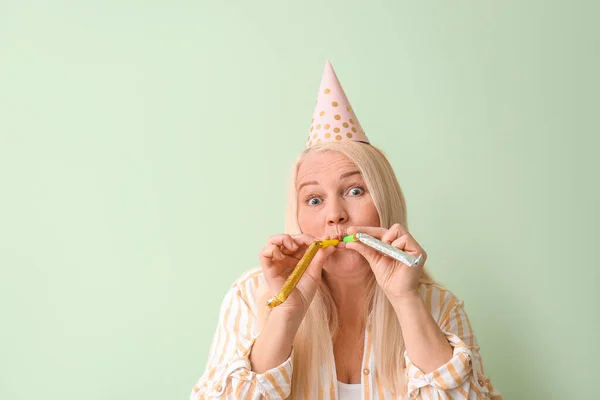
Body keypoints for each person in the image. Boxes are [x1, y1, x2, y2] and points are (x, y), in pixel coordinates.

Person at [190, 61, 502, 399]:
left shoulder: (439, 306)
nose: (335, 215)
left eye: (355, 191)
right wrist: (286, 314)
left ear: (385, 202)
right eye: (313, 199)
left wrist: (406, 300)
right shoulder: (251, 296)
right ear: (297, 218)